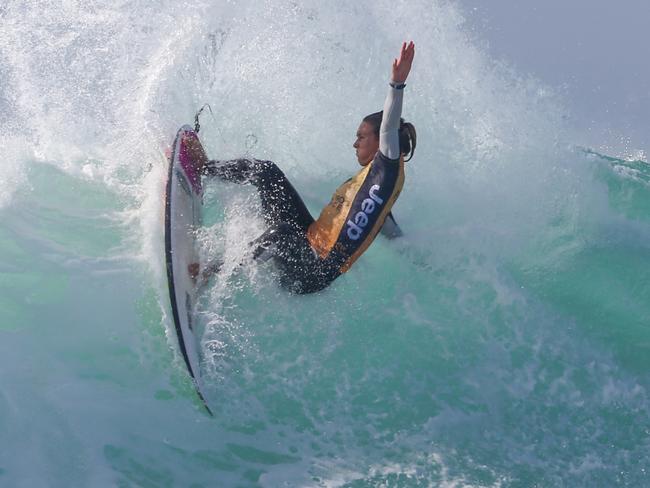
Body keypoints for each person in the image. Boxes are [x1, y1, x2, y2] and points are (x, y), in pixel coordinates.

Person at [203, 41, 416, 294]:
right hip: (307, 239)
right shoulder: (376, 184)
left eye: (361, 137)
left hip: (311, 272)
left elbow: (389, 127)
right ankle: (204, 169)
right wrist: (409, 250)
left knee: (281, 234)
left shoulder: (388, 167)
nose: (355, 143)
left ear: (380, 141)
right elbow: (384, 222)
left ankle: (210, 274)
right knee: (267, 172)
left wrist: (396, 85)